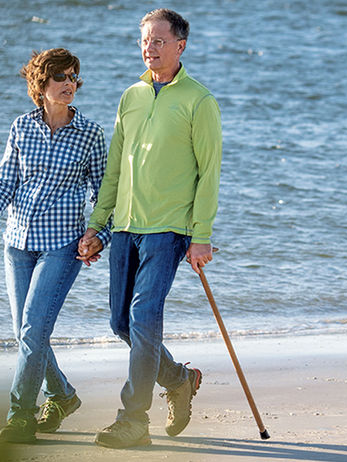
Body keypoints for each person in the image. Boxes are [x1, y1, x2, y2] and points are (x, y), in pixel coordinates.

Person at [77, 8, 222, 449]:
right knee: (121, 323)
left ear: (180, 46)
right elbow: (115, 171)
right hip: (124, 227)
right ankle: (180, 379)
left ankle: (133, 420)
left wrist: (200, 236)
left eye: (159, 40)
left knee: (143, 318)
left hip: (169, 230)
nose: (150, 47)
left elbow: (209, 173)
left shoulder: (199, 101)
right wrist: (98, 226)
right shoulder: (131, 96)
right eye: (145, 40)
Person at [0, 48, 110, 444]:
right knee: (25, 333)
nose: (69, 84)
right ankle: (62, 395)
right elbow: (5, 183)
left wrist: (100, 234)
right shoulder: (21, 127)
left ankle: (20, 416)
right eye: (60, 77)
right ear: (41, 85)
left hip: (63, 247)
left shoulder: (90, 135)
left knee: (32, 331)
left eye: (74, 77)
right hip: (17, 244)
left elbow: (105, 196)